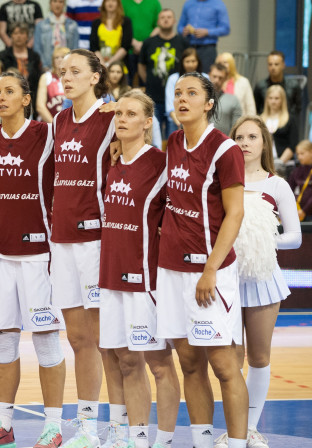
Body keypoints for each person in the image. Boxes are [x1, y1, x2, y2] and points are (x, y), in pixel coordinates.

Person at [0, 71, 68, 448]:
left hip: (38, 254)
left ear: (27, 99)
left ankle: (53, 426)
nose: (1, 98)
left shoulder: (46, 135)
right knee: (3, 342)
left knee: (46, 342)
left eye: (9, 92)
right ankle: (2, 425)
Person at [157, 71, 247, 448]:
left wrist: (210, 268)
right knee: (189, 364)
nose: (182, 99)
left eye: (192, 93)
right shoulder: (172, 142)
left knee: (224, 366)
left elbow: (236, 214)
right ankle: (204, 441)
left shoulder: (225, 150)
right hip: (171, 271)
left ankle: (239, 443)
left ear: (209, 104)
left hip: (208, 273)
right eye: (178, 93)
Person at [49, 49, 126, 447]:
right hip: (60, 242)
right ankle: (86, 426)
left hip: (95, 241)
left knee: (104, 339)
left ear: (97, 77)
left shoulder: (113, 117)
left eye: (76, 71)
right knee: (78, 339)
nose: (67, 77)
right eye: (63, 72)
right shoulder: (60, 120)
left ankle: (120, 426)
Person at [211, 116, 302, 448]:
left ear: (264, 143)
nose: (245, 142)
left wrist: (258, 239)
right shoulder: (220, 181)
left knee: (259, 358)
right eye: (239, 137)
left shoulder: (276, 185)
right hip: (228, 281)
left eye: (252, 137)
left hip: (263, 279)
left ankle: (250, 428)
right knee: (230, 359)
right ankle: (235, 430)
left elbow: (294, 237)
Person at [102, 90, 181, 448]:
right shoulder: (112, 161)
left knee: (159, 363)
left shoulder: (161, 164)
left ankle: (163, 440)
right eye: (118, 113)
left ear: (148, 122)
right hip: (110, 277)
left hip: (145, 280)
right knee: (125, 362)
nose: (121, 119)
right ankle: (136, 438)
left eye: (131, 114)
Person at [138, 8, 187, 139]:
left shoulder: (183, 42)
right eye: (162, 17)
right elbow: (141, 65)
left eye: (169, 17)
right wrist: (148, 81)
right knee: (154, 137)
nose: (166, 20)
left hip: (176, 98)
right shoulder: (149, 42)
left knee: (175, 136)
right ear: (158, 22)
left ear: (174, 21)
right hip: (153, 97)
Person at [0, 23, 42, 111]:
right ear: (11, 36)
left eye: (22, 33)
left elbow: (38, 79)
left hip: (33, 99)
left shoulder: (34, 56)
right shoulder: (2, 57)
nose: (19, 36)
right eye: (15, 33)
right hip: (8, 99)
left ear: (27, 36)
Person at [178, 0, 229, 74]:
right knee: (186, 75)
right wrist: (184, 30)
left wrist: (207, 32)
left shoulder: (218, 4)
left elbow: (225, 29)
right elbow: (179, 27)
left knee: (204, 78)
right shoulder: (188, 3)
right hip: (189, 47)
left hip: (207, 49)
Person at [164, 47, 204, 136]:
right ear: (182, 62)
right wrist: (180, 123)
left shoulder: (205, 78)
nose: (190, 64)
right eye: (187, 61)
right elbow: (170, 105)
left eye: (193, 61)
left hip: (199, 123)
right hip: (176, 123)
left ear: (198, 62)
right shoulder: (173, 79)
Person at [254, 51, 304, 119]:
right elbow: (256, 108)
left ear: (283, 65)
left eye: (276, 64)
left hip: (287, 124)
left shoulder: (293, 86)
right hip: (265, 124)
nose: (273, 67)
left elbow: (298, 108)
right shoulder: (260, 86)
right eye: (270, 64)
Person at [120, 0, 160, 84]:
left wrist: (144, 44)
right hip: (128, 50)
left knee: (148, 83)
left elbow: (158, 26)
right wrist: (133, 42)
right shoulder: (123, 2)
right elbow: (118, 25)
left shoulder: (154, 2)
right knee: (127, 83)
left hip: (149, 50)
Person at [33, 0, 79, 71]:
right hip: (47, 67)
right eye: (55, 1)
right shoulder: (41, 25)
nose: (57, 4)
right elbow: (37, 48)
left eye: (60, 2)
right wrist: (44, 66)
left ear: (64, 4)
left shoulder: (72, 25)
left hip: (67, 67)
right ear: (50, 4)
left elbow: (75, 48)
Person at [260, 85, 298, 167]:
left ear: (282, 100)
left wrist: (280, 162)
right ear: (266, 100)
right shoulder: (260, 119)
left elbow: (293, 145)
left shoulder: (290, 119)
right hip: (263, 164)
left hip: (285, 165)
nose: (273, 101)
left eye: (276, 98)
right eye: (270, 98)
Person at [90, 0, 133, 70]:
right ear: (104, 3)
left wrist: (109, 64)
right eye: (107, 1)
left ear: (118, 3)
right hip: (100, 66)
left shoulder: (126, 22)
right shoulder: (96, 22)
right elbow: (94, 46)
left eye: (113, 1)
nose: (110, 3)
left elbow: (125, 46)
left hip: (120, 67)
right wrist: (103, 65)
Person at [215, 52, 256, 117]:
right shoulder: (215, 83)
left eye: (225, 62)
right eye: (220, 63)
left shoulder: (243, 82)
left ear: (231, 64)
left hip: (240, 122)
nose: (222, 65)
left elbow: (250, 108)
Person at [208, 62, 242, 136]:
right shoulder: (198, 98)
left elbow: (236, 128)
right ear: (209, 75)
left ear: (225, 79)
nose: (217, 80)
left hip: (223, 143)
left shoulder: (233, 100)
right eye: (214, 76)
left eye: (220, 78)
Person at [36, 46, 69, 122]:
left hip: (69, 126)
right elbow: (40, 106)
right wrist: (54, 125)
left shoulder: (74, 79)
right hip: (49, 125)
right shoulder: (46, 77)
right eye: (56, 58)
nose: (59, 60)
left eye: (63, 57)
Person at [289, 140, 312, 222]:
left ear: (311, 152)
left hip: (308, 213)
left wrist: (304, 211)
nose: (299, 157)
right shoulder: (297, 171)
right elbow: (289, 190)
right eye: (298, 154)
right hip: (298, 211)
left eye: (302, 154)